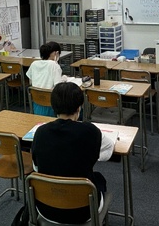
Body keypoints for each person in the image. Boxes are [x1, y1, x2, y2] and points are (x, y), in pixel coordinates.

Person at [31, 82, 113, 224]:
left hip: (46, 208)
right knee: (99, 179)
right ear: (79, 107)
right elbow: (108, 151)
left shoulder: (40, 132)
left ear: (53, 107)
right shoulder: (90, 131)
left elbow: (36, 167)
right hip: (84, 211)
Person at [26, 41, 63, 116]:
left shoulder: (34, 64)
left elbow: (30, 82)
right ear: (56, 53)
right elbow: (58, 87)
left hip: (36, 103)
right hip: (51, 105)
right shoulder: (54, 65)